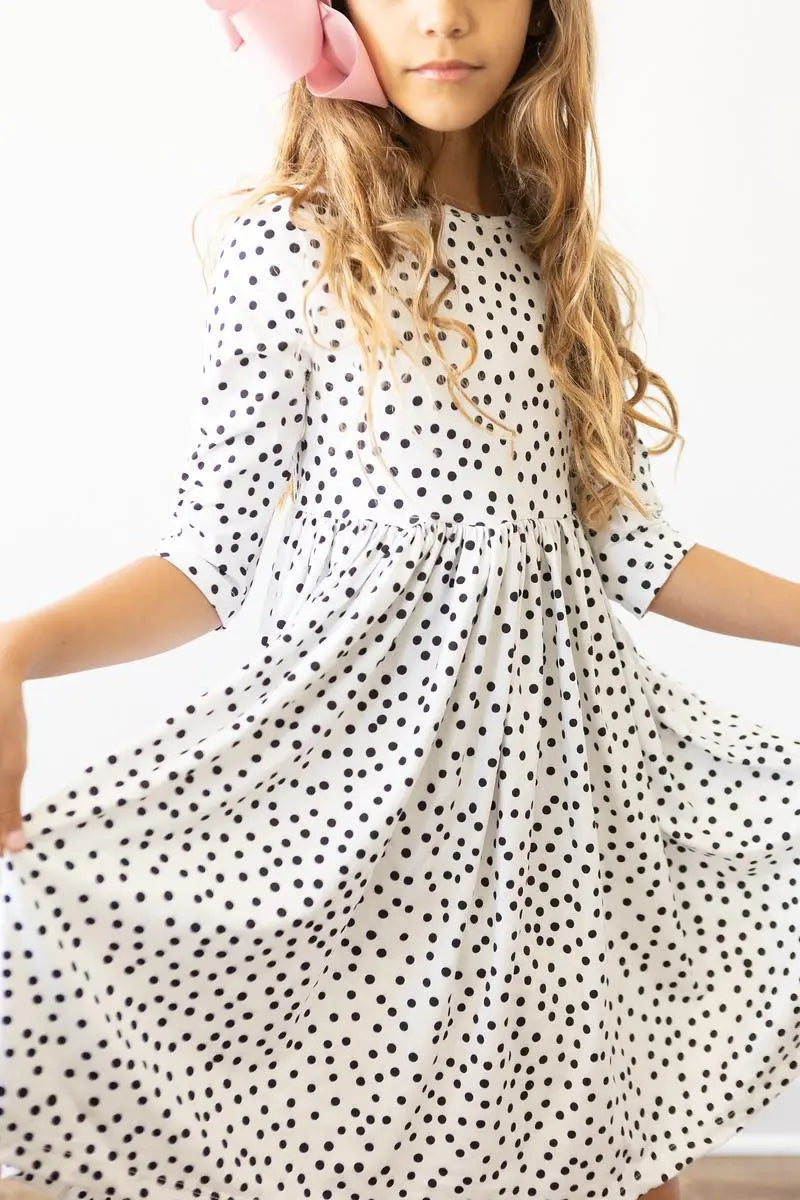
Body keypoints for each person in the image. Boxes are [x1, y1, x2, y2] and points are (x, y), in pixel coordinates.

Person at [1, 2, 799, 1199]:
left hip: (565, 807)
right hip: (365, 801)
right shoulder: (293, 250)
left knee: (610, 1161)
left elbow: (627, 549)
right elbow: (205, 563)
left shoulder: (555, 262)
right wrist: (16, 647)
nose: (442, 17)